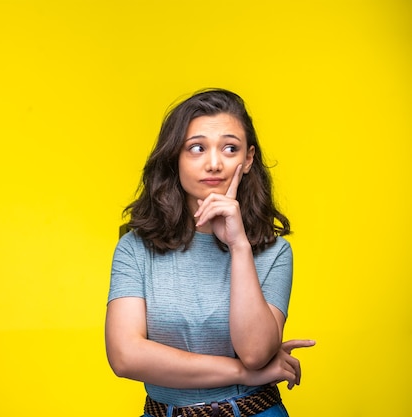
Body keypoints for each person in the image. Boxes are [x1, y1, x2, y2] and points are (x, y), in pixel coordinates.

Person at [105, 88, 315, 417]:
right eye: (197, 148)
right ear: (176, 156)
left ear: (247, 160)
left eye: (230, 148)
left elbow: (257, 352)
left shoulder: (275, 252)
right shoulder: (135, 248)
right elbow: (125, 357)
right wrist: (244, 374)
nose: (214, 163)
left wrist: (239, 245)